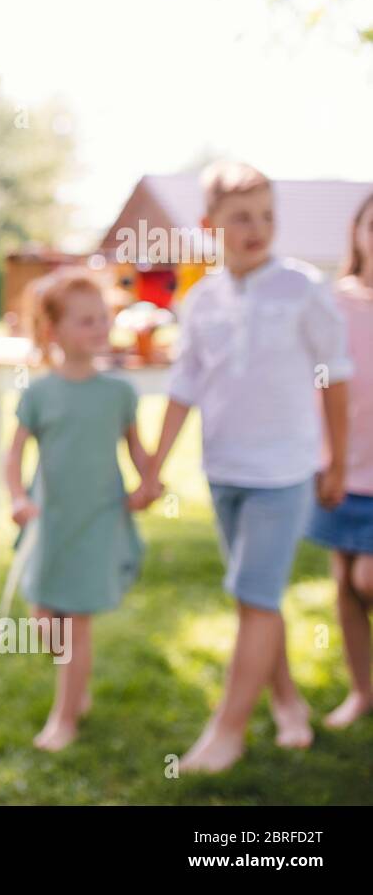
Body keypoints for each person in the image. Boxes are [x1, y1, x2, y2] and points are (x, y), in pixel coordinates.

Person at [139, 161, 353, 773]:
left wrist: (334, 460)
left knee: (254, 595)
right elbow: (184, 386)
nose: (257, 228)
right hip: (224, 469)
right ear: (210, 225)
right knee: (253, 599)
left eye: (266, 216)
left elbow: (335, 376)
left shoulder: (303, 286)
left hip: (284, 473)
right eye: (241, 218)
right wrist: (154, 466)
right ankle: (288, 704)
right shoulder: (201, 298)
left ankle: (227, 731)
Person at [4, 269, 158, 751]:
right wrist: (17, 498)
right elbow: (15, 456)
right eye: (86, 321)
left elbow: (137, 449)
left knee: (74, 623)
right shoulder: (40, 394)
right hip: (51, 522)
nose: (100, 328)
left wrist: (149, 483)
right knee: (45, 622)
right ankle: (75, 687)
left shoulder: (118, 393)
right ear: (54, 332)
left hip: (98, 519)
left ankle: (65, 718)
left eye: (103, 319)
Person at [305, 191, 373, 729]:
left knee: (367, 578)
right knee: (344, 580)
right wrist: (322, 458)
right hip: (338, 464)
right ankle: (361, 691)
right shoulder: (333, 301)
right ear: (357, 232)